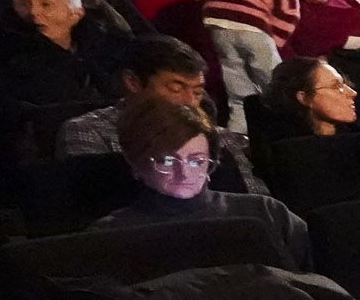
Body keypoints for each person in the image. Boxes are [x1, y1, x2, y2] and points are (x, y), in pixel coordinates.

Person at [98, 96, 312, 267]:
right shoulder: (112, 234)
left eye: (196, 161)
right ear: (137, 164)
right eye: (167, 161)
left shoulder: (264, 211)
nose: (184, 173)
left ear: (212, 162)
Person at [56, 33, 209, 157]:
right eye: (176, 89)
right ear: (132, 82)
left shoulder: (216, 137)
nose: (190, 102)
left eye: (197, 92)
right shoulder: (89, 132)